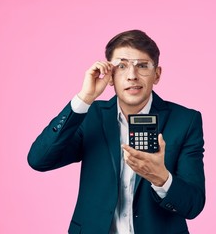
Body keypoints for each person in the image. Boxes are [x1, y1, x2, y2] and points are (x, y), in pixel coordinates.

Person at [28, 29, 205, 234]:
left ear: (157, 75)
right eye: (121, 66)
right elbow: (39, 160)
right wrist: (84, 98)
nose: (132, 76)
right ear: (110, 76)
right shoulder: (90, 116)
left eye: (142, 66)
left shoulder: (185, 121)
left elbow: (194, 204)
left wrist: (162, 179)